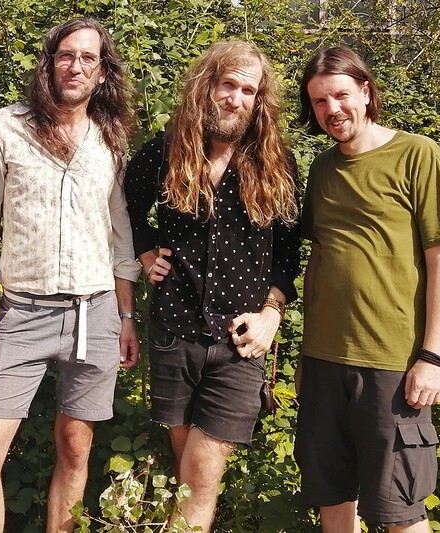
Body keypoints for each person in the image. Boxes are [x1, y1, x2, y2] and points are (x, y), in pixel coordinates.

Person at [0, 18, 141, 533]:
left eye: (88, 58)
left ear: (102, 72)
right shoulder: (7, 125)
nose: (75, 66)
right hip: (21, 312)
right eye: (66, 55)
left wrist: (127, 316)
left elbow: (120, 233)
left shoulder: (110, 136)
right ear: (51, 62)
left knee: (76, 448)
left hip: (95, 312)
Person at [124, 41, 301, 532]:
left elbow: (289, 250)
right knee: (186, 470)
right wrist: (146, 252)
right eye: (228, 85)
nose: (236, 98)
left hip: (241, 340)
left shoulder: (276, 163)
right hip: (174, 331)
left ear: (259, 100)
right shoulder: (165, 151)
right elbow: (125, 208)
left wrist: (272, 313)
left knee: (203, 469)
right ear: (207, 86)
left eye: (248, 90)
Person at [294, 46, 440, 532]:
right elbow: (320, 259)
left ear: (366, 92)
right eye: (320, 101)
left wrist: (432, 356)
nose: (332, 109)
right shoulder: (321, 169)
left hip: (392, 363)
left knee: (399, 510)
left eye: (341, 95)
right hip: (324, 362)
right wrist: (306, 353)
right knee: (332, 498)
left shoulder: (417, 153)